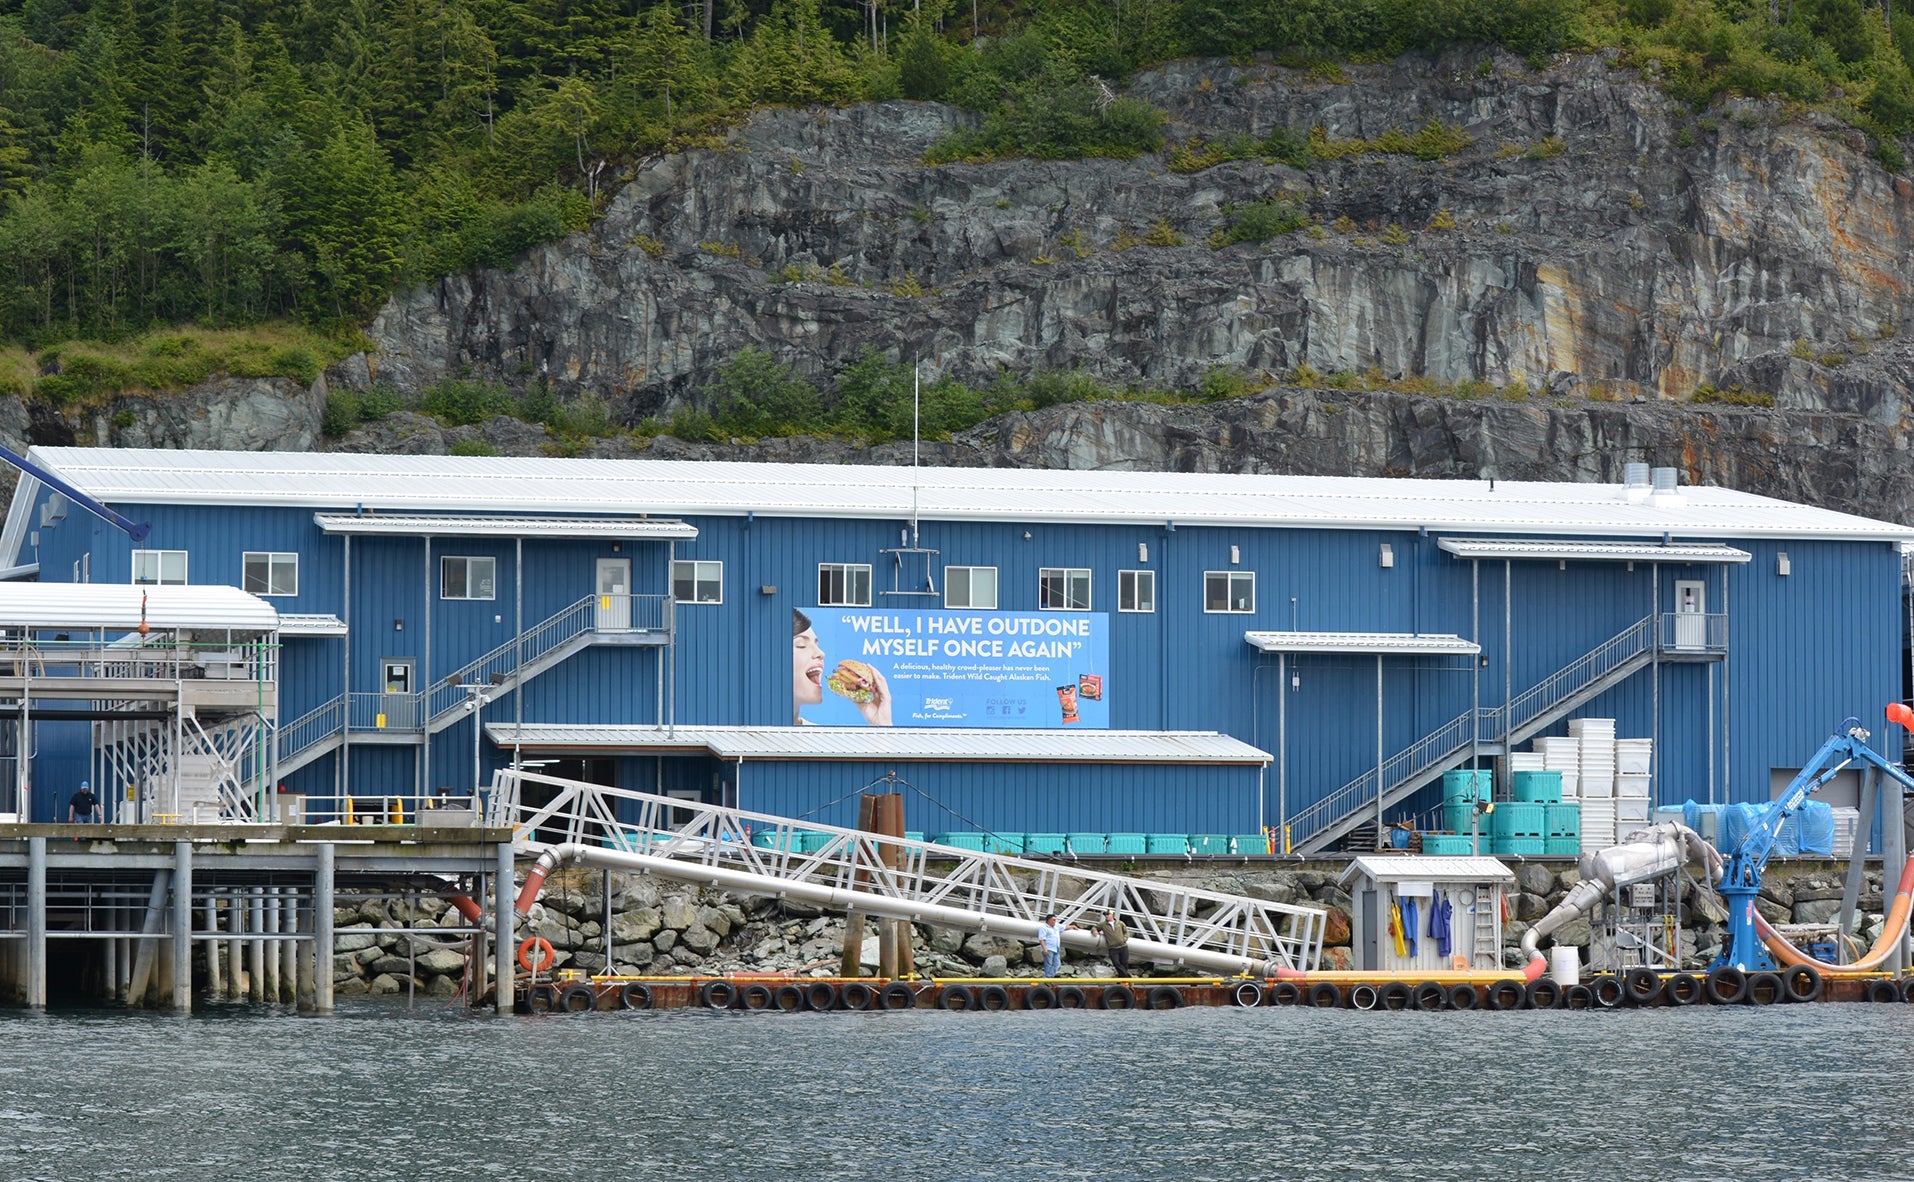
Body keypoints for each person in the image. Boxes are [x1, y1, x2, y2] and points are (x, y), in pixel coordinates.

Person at [792, 609, 892, 726]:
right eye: (801, 645)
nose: (821, 653)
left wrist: (882, 725)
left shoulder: (822, 737)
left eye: (816, 644)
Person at [1095, 909, 1131, 977]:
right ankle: (1127, 976)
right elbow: (1095, 927)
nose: (1106, 916)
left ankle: (1122, 979)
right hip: (1113, 948)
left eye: (1108, 915)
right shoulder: (1103, 925)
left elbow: (1126, 932)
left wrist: (1125, 939)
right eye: (1105, 915)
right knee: (1116, 963)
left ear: (1112, 915)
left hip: (1123, 946)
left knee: (1124, 963)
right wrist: (1094, 931)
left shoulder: (1120, 923)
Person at [1035, 914, 1070, 978]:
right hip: (1048, 948)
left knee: (1057, 964)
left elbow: (1064, 927)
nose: (1055, 921)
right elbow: (1041, 939)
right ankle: (1048, 978)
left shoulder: (1056, 926)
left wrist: (1073, 926)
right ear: (1049, 920)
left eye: (1055, 920)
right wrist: (1044, 948)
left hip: (1056, 948)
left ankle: (1049, 977)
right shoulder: (1043, 927)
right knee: (1048, 964)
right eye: (1053, 920)